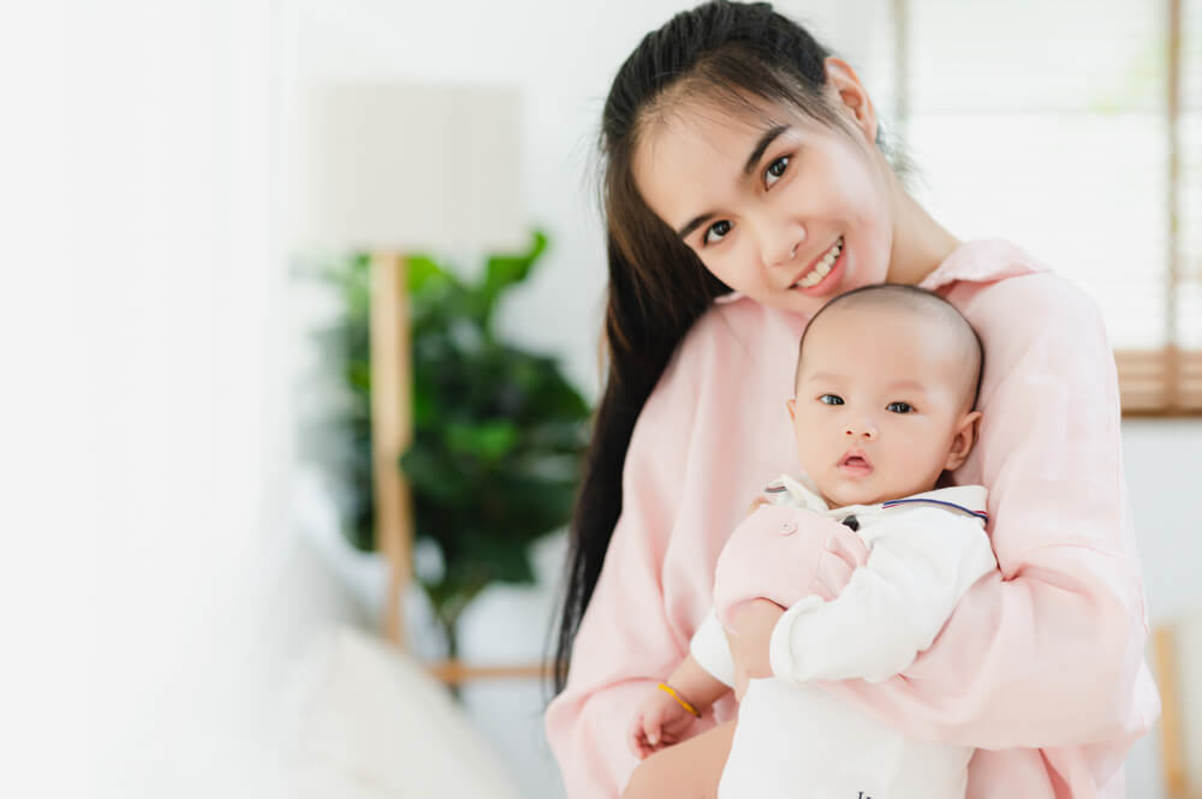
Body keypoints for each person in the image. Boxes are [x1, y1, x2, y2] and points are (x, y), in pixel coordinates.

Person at [546, 2, 1160, 797]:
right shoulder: (717, 356)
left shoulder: (1031, 324)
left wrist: (784, 651)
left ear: (852, 103)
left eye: (776, 169)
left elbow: (1081, 661)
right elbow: (604, 714)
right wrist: (768, 740)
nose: (775, 242)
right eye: (717, 231)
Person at [625, 284, 998, 799]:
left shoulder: (935, 531)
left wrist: (779, 644)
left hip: (868, 779)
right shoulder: (790, 512)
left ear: (957, 441)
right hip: (767, 770)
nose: (859, 426)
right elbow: (739, 618)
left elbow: (887, 626)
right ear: (797, 416)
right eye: (833, 400)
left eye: (899, 407)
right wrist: (685, 691)